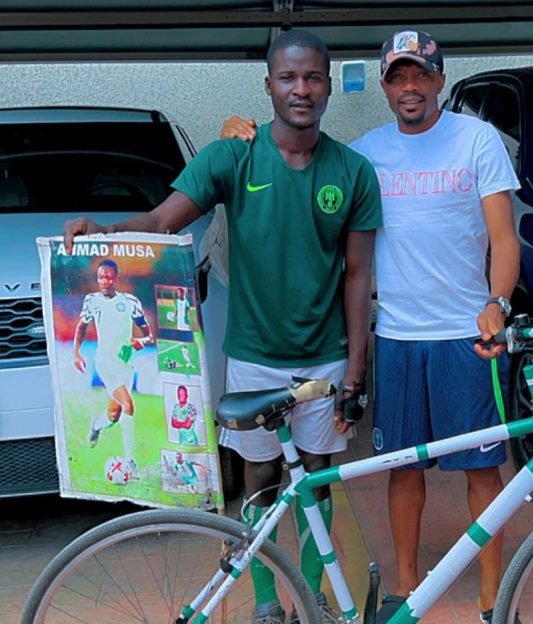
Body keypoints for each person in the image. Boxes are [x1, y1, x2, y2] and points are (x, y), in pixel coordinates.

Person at [63, 29, 382, 624]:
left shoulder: (353, 170)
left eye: (313, 77)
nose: (301, 89)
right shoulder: (232, 156)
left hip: (326, 358)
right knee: (260, 479)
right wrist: (108, 233)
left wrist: (357, 370)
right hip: (254, 356)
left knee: (317, 480)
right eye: (288, 77)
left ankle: (311, 595)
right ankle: (265, 601)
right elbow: (162, 219)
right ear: (268, 86)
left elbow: (358, 275)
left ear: (329, 86)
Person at [220, 28, 520, 624]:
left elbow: (505, 238)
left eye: (420, 74)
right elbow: (300, 143)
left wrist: (498, 302)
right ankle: (406, 589)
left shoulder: (478, 140)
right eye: (398, 76)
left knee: (483, 469)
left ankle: (493, 598)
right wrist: (241, 128)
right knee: (403, 470)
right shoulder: (367, 153)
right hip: (399, 338)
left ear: (440, 79)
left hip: (467, 336)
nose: (410, 86)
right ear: (384, 86)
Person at [72, 258, 154, 480]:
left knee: (114, 415)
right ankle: (131, 462)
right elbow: (82, 326)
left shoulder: (130, 302)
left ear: (116, 278)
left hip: (125, 362)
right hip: (105, 361)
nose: (104, 281)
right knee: (128, 405)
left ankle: (96, 426)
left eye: (108, 277)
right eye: (100, 277)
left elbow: (148, 334)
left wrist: (141, 341)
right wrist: (76, 353)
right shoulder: (93, 301)